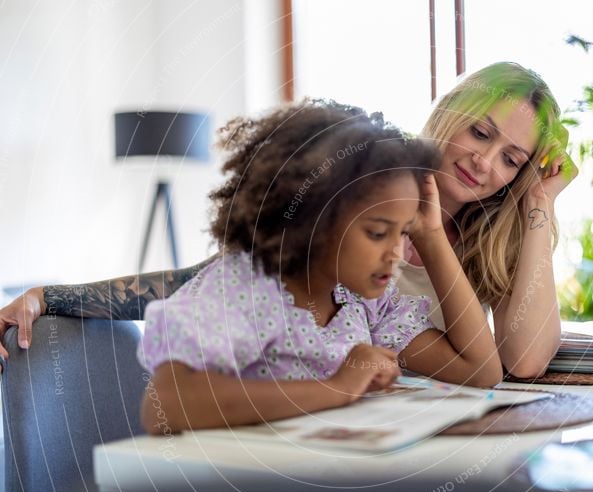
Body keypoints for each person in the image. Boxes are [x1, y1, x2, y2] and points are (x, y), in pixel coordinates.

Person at [0, 62, 575, 378]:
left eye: (511, 160)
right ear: (454, 112)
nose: (484, 161)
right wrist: (50, 296)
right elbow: (207, 277)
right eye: (480, 132)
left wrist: (539, 209)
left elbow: (520, 361)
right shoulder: (363, 182)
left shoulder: (495, 232)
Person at [136, 100, 500, 432]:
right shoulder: (248, 288)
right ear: (314, 220)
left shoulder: (363, 301)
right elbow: (165, 406)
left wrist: (431, 233)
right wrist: (337, 388)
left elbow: (481, 372)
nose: (395, 253)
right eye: (377, 232)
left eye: (404, 232)